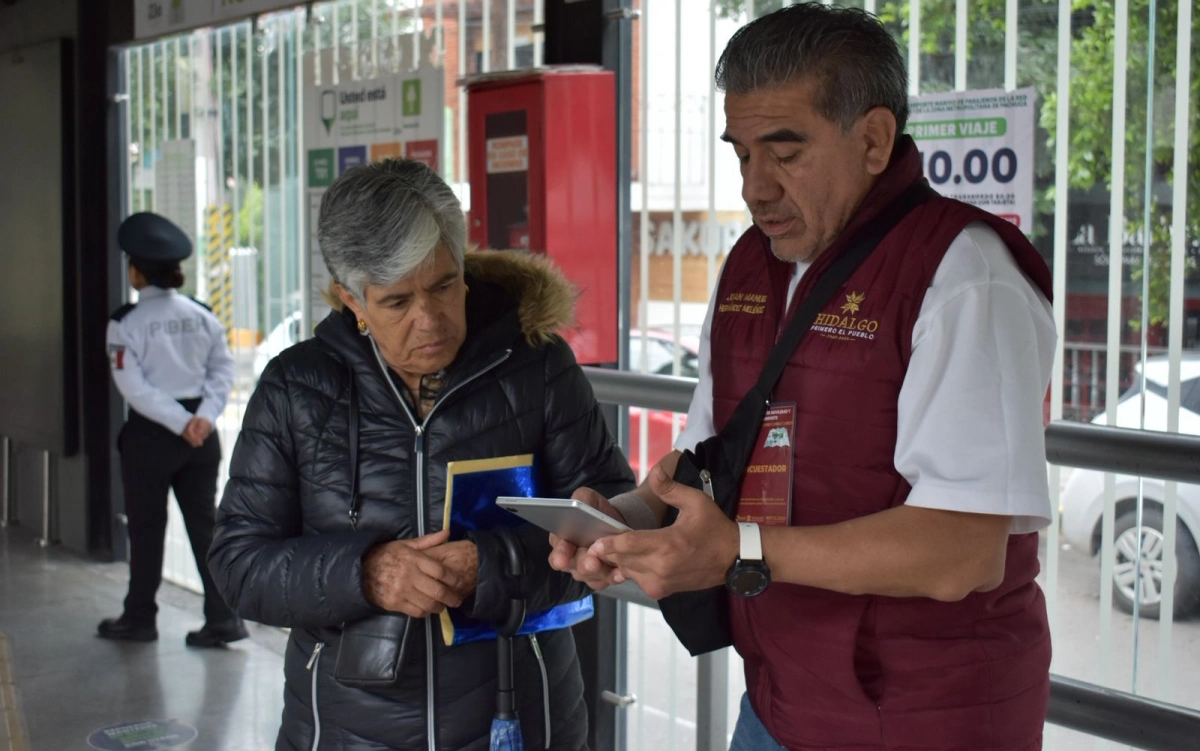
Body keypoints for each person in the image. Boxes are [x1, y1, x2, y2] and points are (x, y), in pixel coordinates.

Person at [551, 5, 1055, 750]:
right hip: (779, 700)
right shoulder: (751, 267)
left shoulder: (963, 273)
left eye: (785, 153)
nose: (756, 188)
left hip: (928, 718)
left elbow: (963, 550)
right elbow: (705, 468)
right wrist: (620, 525)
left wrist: (738, 551)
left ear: (875, 140)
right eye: (743, 154)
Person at [208, 158, 634, 750]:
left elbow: (612, 520)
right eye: (396, 302)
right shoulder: (297, 388)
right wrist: (365, 574)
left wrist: (492, 565)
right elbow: (239, 564)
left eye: (442, 285)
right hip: (346, 728)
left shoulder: (537, 367)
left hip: (520, 716)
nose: (429, 320)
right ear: (351, 300)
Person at [99, 212, 246, 648]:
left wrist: (181, 422)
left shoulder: (125, 322)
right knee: (207, 526)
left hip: (152, 436)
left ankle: (140, 618)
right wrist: (202, 416)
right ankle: (224, 619)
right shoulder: (202, 314)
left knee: (146, 527)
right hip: (201, 436)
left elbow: (133, 387)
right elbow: (223, 369)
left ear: (136, 271)